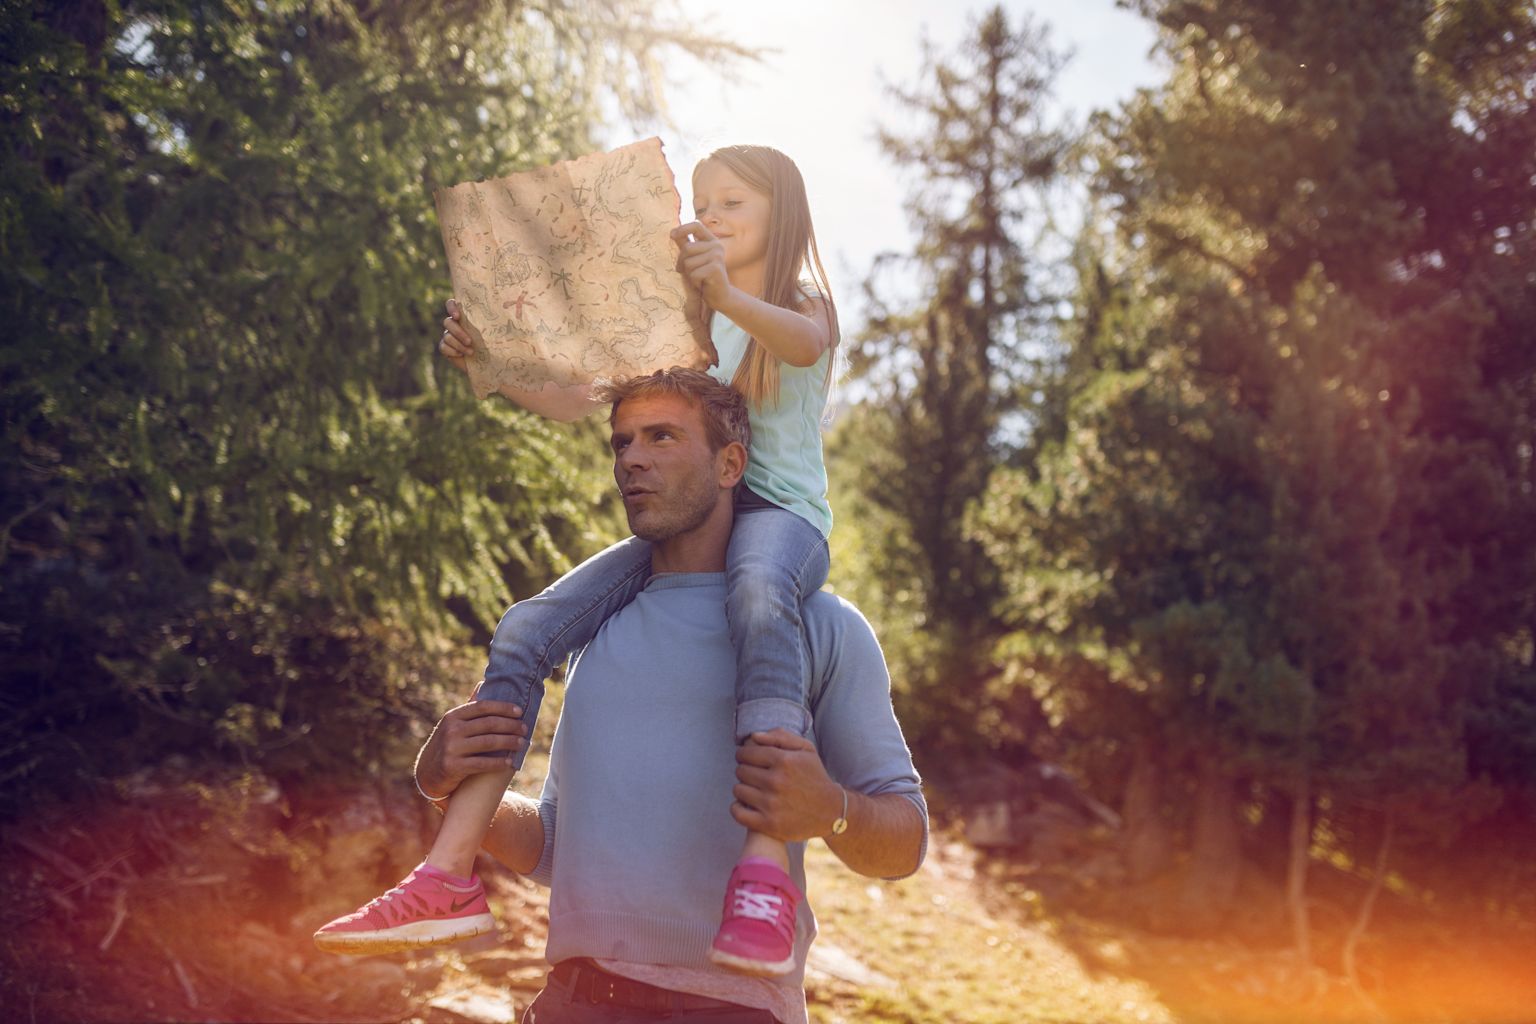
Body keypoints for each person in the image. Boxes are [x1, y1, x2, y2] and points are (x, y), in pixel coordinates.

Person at [315, 146, 846, 976]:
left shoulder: (794, 301)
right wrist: (489, 360)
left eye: (733, 201)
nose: (711, 213)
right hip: (699, 518)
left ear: (784, 214)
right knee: (530, 627)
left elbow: (807, 346)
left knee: (754, 597)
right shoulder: (691, 319)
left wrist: (727, 293)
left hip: (781, 523)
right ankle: (447, 877)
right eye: (703, 201)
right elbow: (580, 397)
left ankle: (764, 876)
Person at [418, 369, 927, 1023]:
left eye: (662, 436)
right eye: (622, 442)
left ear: (730, 463)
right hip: (576, 1004)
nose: (632, 457)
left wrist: (831, 810)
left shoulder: (821, 626)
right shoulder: (591, 633)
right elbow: (552, 845)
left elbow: (905, 842)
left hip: (736, 1010)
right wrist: (447, 785)